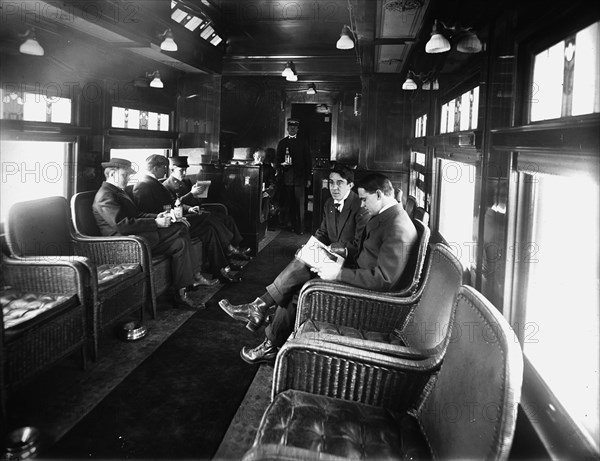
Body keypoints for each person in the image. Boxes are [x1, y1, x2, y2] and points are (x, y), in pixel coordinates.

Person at [220, 170, 419, 366]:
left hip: (368, 296)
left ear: (379, 194)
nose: (363, 204)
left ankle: (266, 328)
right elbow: (362, 249)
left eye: (365, 199)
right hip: (356, 271)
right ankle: (262, 316)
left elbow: (383, 280)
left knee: (298, 290)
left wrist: (339, 273)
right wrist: (334, 255)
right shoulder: (386, 216)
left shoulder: (397, 226)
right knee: (305, 263)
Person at [92, 158, 208, 309]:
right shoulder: (105, 195)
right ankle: (195, 275)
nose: (128, 178)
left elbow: (137, 215)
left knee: (180, 243)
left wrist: (157, 216)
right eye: (125, 175)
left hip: (136, 238)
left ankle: (181, 293)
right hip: (123, 244)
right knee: (180, 228)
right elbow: (123, 225)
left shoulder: (117, 192)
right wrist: (155, 223)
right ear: (112, 174)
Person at [131, 155, 243, 283]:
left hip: (175, 219)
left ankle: (221, 269)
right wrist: (167, 216)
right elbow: (147, 212)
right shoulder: (144, 185)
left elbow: (172, 203)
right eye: (164, 168)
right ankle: (228, 248)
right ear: (156, 168)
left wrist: (186, 209)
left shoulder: (155, 183)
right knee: (206, 216)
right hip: (167, 227)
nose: (165, 171)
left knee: (209, 230)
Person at [276, 118, 312, 234]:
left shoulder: (303, 142)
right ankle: (293, 226)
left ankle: (301, 228)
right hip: (287, 179)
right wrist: (282, 164)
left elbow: (308, 161)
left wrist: (308, 179)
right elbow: (277, 161)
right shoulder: (282, 143)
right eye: (290, 128)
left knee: (300, 205)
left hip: (300, 179)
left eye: (294, 128)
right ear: (287, 129)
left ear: (297, 129)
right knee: (290, 204)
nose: (292, 129)